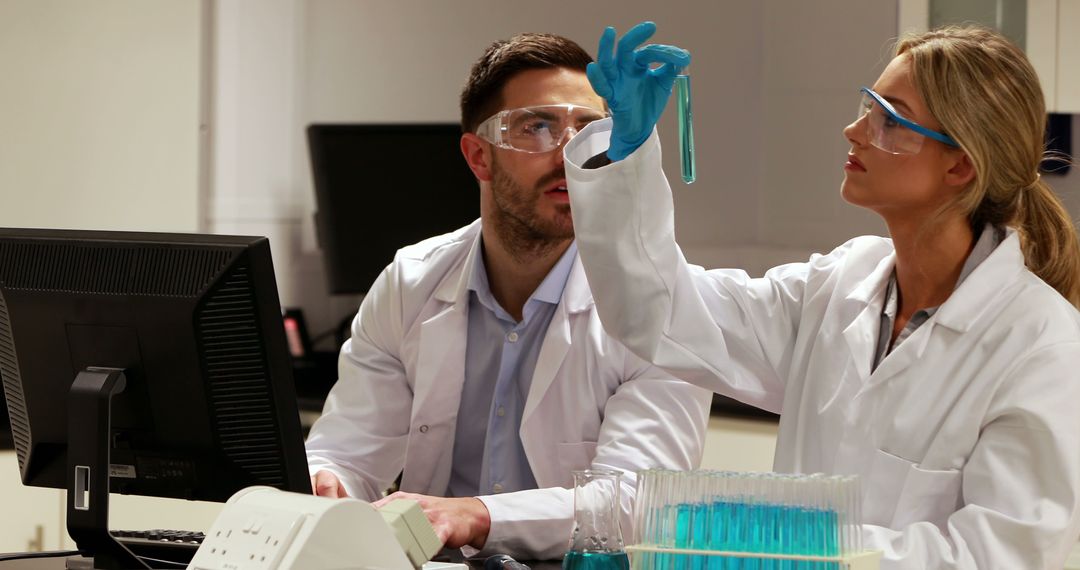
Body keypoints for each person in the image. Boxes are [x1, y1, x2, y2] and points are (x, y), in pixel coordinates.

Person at [563, 21, 1080, 568]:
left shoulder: (1042, 349)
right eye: (867, 105)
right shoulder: (839, 285)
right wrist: (628, 151)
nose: (854, 130)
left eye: (889, 119)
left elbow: (1001, 554)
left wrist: (808, 546)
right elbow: (658, 311)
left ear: (960, 165)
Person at [304, 31, 712, 560]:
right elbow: (347, 452)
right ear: (478, 157)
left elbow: (638, 502)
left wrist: (476, 516)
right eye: (538, 126)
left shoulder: (658, 303)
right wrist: (324, 481)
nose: (571, 153)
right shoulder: (412, 282)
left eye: (590, 130)